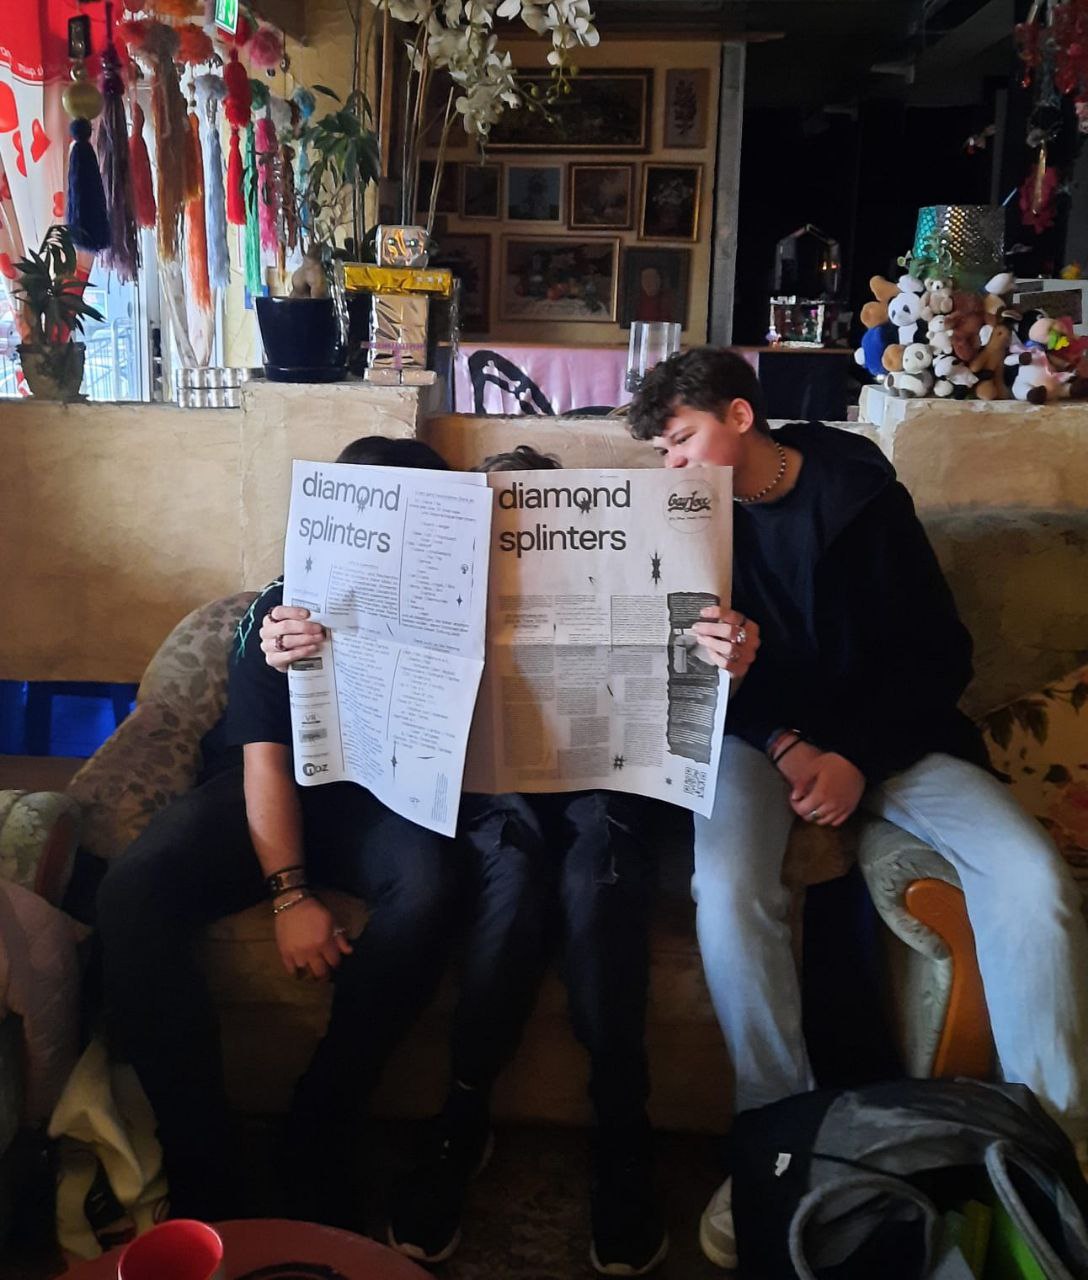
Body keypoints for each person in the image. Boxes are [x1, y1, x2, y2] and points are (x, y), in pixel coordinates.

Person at [626, 346, 1088, 1269]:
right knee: (725, 892)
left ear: (742, 417)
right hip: (761, 743)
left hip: (895, 738)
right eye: (662, 453)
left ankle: (1057, 1148)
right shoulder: (681, 524)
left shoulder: (863, 494)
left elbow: (939, 657)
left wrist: (855, 758)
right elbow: (685, 683)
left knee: (1035, 880)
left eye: (680, 443)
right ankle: (779, 1126)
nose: (670, 467)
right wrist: (769, 717)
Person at [259, 442, 758, 1276]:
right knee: (513, 879)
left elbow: (698, 703)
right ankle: (465, 1111)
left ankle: (620, 1123)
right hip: (494, 793)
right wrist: (292, 639)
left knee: (597, 881)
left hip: (609, 787)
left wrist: (727, 663)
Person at [96, 436, 467, 1228]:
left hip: (383, 798)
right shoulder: (280, 609)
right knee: (130, 892)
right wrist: (290, 893)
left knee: (434, 888)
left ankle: (319, 1130)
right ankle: (202, 1160)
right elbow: (262, 762)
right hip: (269, 787)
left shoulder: (457, 611)